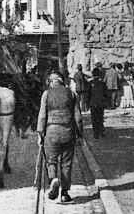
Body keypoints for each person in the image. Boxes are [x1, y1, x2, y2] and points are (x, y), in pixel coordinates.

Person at [37, 71, 83, 203]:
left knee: (51, 160)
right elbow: (78, 117)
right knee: (66, 163)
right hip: (68, 132)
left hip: (51, 131)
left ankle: (53, 179)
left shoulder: (46, 94)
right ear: (63, 81)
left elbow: (42, 115)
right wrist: (80, 135)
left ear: (51, 82)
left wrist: (40, 133)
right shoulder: (72, 94)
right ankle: (64, 193)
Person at [90, 68, 109, 139]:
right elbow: (106, 94)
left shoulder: (90, 83)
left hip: (93, 103)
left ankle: (96, 133)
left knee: (94, 119)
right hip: (101, 104)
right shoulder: (103, 84)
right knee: (100, 118)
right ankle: (101, 132)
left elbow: (88, 94)